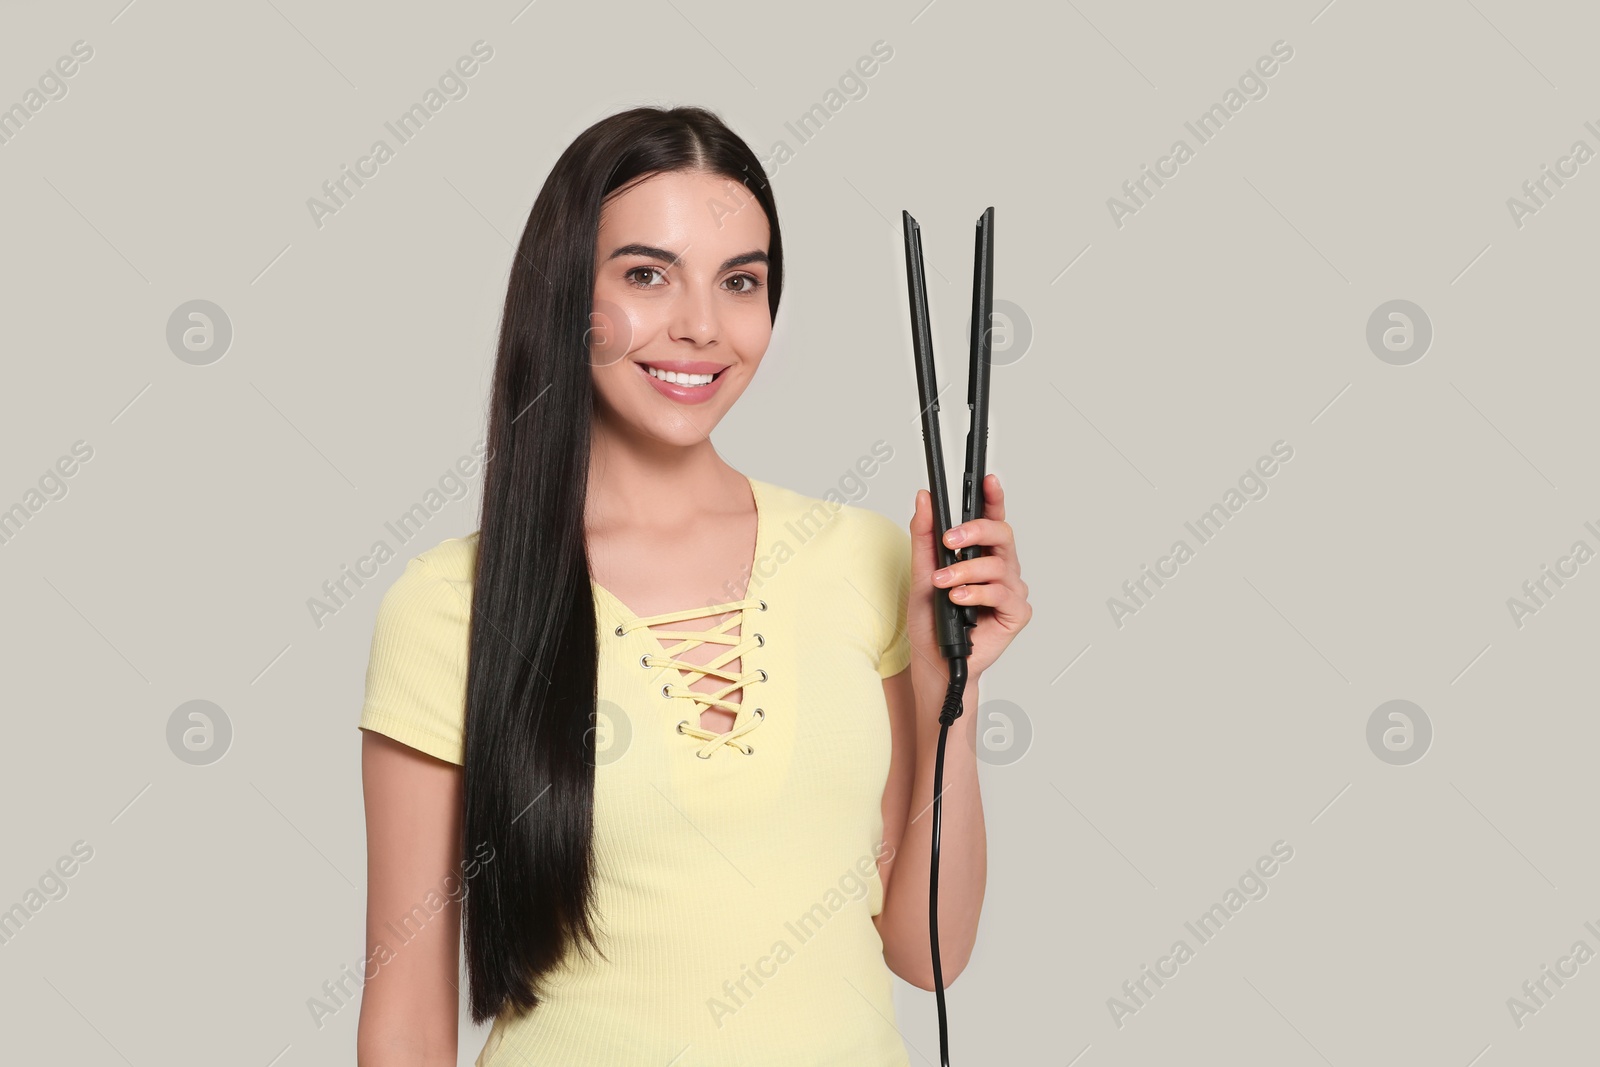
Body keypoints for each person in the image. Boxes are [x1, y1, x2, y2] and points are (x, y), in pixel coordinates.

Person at [355, 104, 1031, 1066]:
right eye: (646, 275)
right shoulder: (449, 604)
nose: (701, 327)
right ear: (564, 296)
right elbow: (407, 1024)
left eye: (740, 282)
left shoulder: (863, 559)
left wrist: (949, 692)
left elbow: (928, 950)